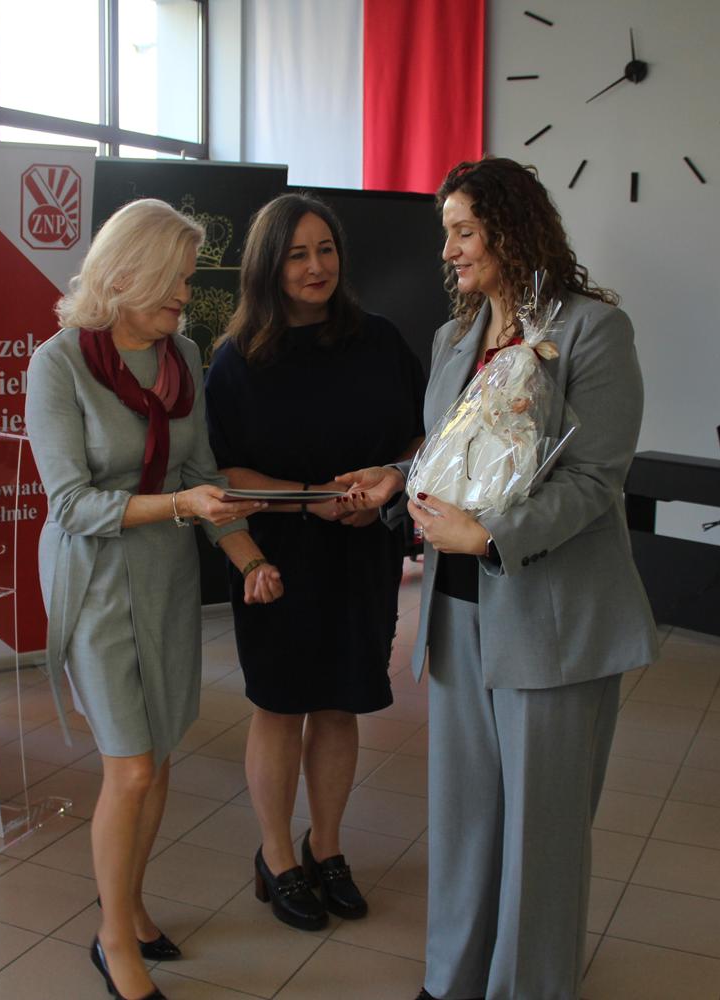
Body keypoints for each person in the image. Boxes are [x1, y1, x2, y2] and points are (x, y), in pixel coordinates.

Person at [338, 156, 658, 1000]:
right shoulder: (456, 337)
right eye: (447, 233)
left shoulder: (593, 331)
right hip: (458, 610)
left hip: (551, 616)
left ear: (511, 231)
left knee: (541, 832)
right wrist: (395, 480)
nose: (448, 251)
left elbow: (595, 479)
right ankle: (451, 980)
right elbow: (449, 454)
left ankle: (529, 987)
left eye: (463, 232)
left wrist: (489, 536)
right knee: (466, 814)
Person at [24, 198, 283, 1000]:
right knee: (131, 767)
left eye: (188, 279)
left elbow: (200, 475)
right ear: (124, 273)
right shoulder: (58, 364)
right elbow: (71, 504)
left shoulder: (183, 355)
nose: (185, 295)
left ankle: (130, 906)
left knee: (158, 753)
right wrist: (179, 505)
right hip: (96, 580)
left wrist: (247, 557)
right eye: (174, 278)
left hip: (165, 576)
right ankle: (112, 939)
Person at [204, 193, 426, 930]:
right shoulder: (238, 359)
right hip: (278, 554)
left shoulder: (380, 340)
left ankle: (326, 847)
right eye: (297, 254)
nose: (315, 266)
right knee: (281, 704)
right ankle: (276, 856)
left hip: (364, 547)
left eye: (325, 249)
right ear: (269, 265)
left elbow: (421, 439)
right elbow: (225, 474)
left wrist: (384, 484)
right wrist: (314, 500)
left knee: (339, 702)